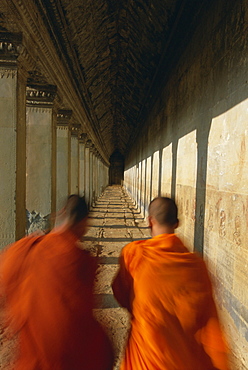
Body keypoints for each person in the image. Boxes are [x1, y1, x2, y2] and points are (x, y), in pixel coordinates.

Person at [112, 197, 229, 370]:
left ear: (150, 221)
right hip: (182, 360)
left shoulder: (133, 255)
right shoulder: (197, 266)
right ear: (177, 223)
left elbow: (121, 294)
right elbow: (208, 324)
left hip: (145, 359)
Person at [0, 195, 114, 370]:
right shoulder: (83, 262)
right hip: (68, 358)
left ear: (60, 214)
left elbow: (5, 273)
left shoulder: (25, 249)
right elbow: (82, 313)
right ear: (85, 222)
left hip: (33, 359)